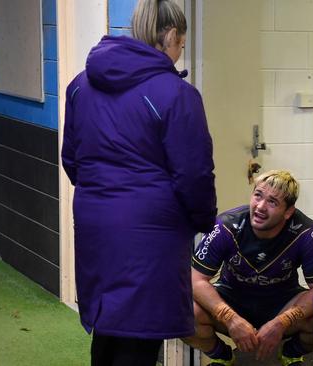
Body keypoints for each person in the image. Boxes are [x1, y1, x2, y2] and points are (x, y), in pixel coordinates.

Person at [61, 0, 217, 364]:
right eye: (181, 43)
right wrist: (203, 221)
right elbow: (193, 175)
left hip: (95, 224)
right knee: (140, 334)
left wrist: (103, 195)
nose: (180, 53)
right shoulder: (177, 95)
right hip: (150, 233)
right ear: (170, 36)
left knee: (110, 327)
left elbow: (72, 159)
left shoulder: (80, 86)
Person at [183, 170, 313, 366]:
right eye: (258, 195)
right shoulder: (225, 226)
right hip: (232, 301)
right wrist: (229, 318)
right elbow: (195, 280)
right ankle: (222, 357)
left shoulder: (306, 232)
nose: (261, 207)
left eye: (273, 202)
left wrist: (283, 321)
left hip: (282, 305)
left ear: (288, 212)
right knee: (181, 311)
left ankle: (290, 352)